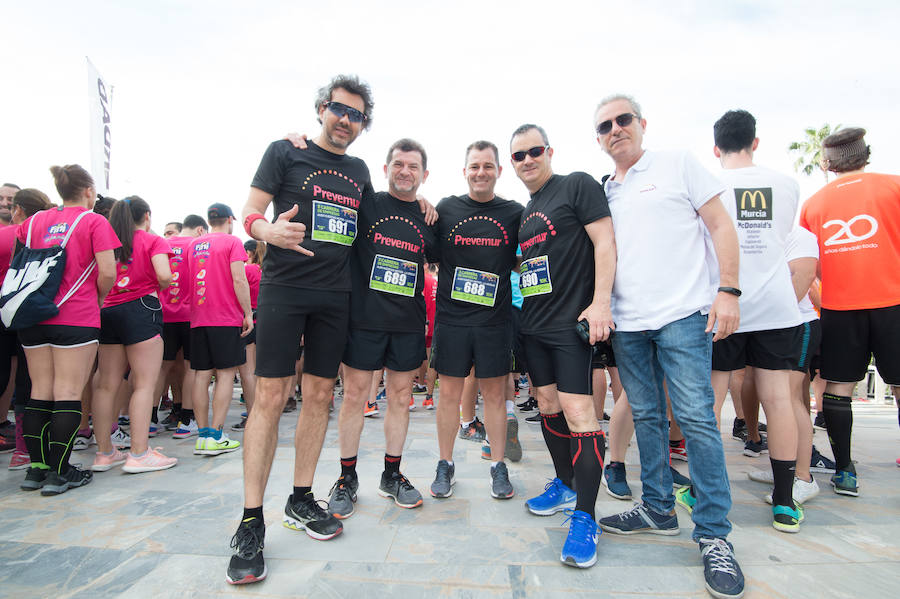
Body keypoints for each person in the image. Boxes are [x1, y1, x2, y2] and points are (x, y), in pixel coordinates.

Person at [590, 96, 745, 599]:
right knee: (647, 416)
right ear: (599, 138)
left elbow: (722, 225)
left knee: (697, 418)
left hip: (683, 315)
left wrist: (728, 290)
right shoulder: (605, 189)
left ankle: (714, 534)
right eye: (604, 126)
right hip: (629, 324)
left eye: (623, 120)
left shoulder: (678, 163)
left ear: (641, 124)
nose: (615, 130)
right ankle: (657, 508)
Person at [228, 74, 376, 585]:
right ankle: (251, 522)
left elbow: (375, 227)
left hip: (335, 299)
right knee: (269, 399)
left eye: (357, 115)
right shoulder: (283, 152)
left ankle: (300, 497)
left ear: (363, 125)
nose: (346, 120)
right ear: (321, 109)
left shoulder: (358, 171)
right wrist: (265, 230)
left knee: (318, 398)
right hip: (285, 291)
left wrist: (422, 205)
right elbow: (248, 210)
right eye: (339, 109)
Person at [508, 124, 615, 568]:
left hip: (571, 324)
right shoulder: (527, 210)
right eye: (518, 155)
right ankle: (565, 484)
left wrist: (600, 302)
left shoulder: (576, 185)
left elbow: (605, 240)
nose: (527, 159)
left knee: (578, 413)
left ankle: (586, 516)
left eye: (534, 151)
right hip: (533, 327)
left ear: (549, 151)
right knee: (547, 405)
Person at [326, 138, 438, 519]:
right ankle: (346, 477)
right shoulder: (366, 203)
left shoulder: (428, 218)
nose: (405, 171)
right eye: (398, 164)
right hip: (363, 319)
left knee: (401, 396)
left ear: (424, 174)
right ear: (386, 168)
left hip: (407, 323)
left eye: (413, 166)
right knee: (355, 396)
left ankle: (392, 474)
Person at [704, 109, 804, 532]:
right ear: (755, 142)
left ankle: (705, 488)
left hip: (725, 305)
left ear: (715, 148)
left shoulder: (710, 185)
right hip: (779, 307)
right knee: (779, 399)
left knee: (711, 400)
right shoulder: (788, 184)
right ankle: (784, 502)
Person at [799, 127, 900, 497]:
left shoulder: (813, 204)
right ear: (866, 154)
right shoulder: (894, 186)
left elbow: (808, 264)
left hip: (839, 306)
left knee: (839, 387)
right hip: (893, 301)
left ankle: (844, 471)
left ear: (828, 163)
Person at [17, 165, 119, 494]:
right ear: (88, 191)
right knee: (69, 392)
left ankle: (37, 468)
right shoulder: (93, 221)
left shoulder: (33, 222)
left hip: (32, 315)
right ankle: (60, 472)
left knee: (40, 390)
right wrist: (98, 299)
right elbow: (107, 271)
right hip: (75, 315)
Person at [429, 140, 522, 501]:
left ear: (499, 171)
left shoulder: (514, 212)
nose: (480, 172)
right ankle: (445, 464)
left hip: (494, 321)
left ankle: (498, 465)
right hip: (452, 319)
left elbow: (524, 257)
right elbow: (428, 245)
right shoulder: (447, 208)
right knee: (448, 395)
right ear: (464, 171)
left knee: (496, 396)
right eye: (474, 166)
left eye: (487, 166)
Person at [90, 196, 176, 473]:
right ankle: (139, 454)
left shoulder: (106, 239)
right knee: (144, 383)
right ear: (147, 215)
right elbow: (165, 275)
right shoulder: (152, 240)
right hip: (141, 308)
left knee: (106, 383)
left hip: (107, 310)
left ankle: (104, 453)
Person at [189, 203, 251, 455]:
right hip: (225, 317)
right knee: (225, 374)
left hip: (198, 317)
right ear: (230, 220)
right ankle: (216, 434)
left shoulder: (195, 243)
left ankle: (203, 435)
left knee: (201, 375)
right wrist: (248, 313)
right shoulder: (232, 242)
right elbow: (239, 278)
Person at [2, 189, 54, 468]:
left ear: (20, 209)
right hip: (44, 313)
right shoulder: (50, 233)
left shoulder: (19, 233)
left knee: (18, 381)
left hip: (11, 310)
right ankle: (36, 453)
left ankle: (24, 450)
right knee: (37, 382)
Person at [158, 214, 209, 439]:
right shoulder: (198, 247)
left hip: (163, 315)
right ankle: (187, 419)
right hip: (191, 316)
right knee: (191, 368)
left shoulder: (163, 244)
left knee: (161, 368)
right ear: (200, 230)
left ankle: (149, 420)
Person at [232, 238, 265, 431]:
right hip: (265, 320)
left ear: (249, 253)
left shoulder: (248, 270)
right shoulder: (266, 270)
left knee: (248, 371)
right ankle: (259, 410)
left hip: (249, 319)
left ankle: (253, 413)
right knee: (259, 370)